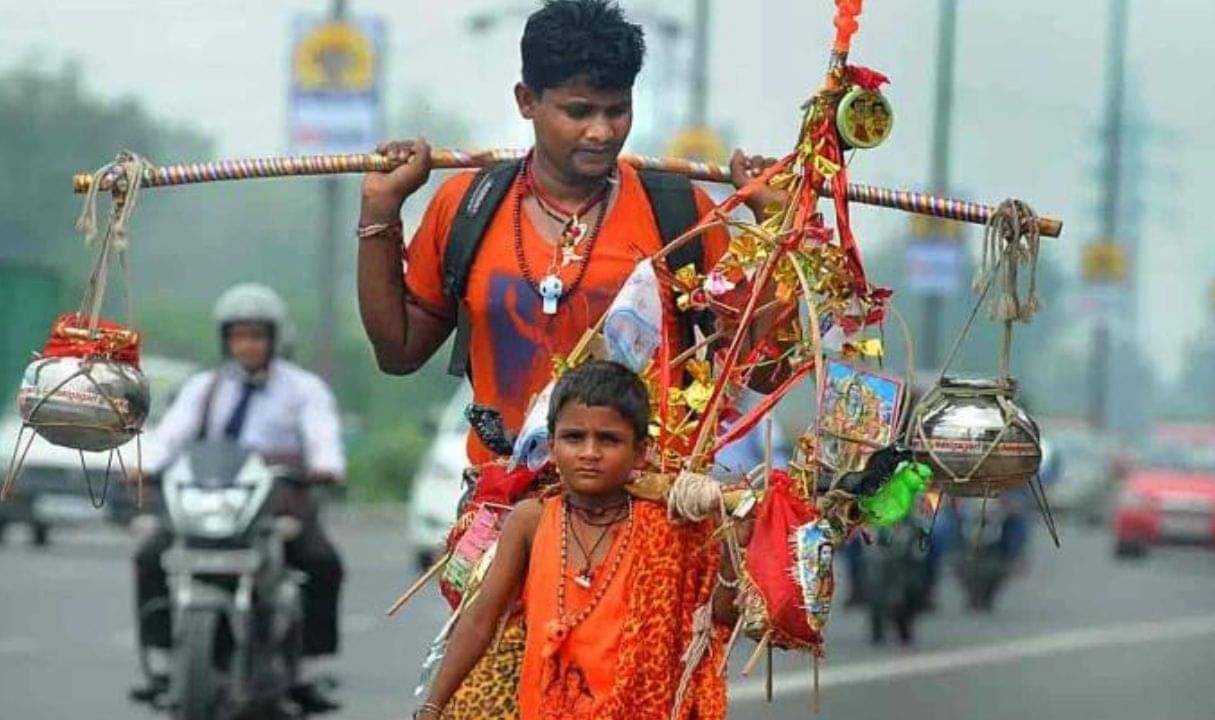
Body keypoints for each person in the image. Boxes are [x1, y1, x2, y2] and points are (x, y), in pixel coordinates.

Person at [357, 0, 787, 467]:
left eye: (617, 110)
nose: (601, 132)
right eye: (579, 111)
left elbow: (765, 372)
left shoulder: (680, 215)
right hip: (501, 505)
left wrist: (776, 232)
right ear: (527, 101)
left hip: (645, 514)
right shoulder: (467, 205)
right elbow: (398, 351)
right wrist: (381, 208)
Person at [414, 360, 731, 720]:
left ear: (640, 451)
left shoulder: (671, 526)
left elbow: (719, 617)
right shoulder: (530, 520)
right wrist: (432, 706)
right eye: (573, 438)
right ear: (551, 444)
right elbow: (480, 619)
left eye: (608, 439)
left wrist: (734, 545)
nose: (589, 453)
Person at [129, 283, 346, 713]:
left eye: (256, 335)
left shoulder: (304, 390)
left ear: (275, 339)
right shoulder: (204, 388)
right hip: (212, 495)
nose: (247, 345)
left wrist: (325, 466)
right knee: (151, 555)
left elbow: (322, 437)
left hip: (279, 496)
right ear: (225, 340)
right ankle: (161, 660)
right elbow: (172, 434)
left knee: (322, 561)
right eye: (238, 336)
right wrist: (144, 467)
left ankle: (310, 670)